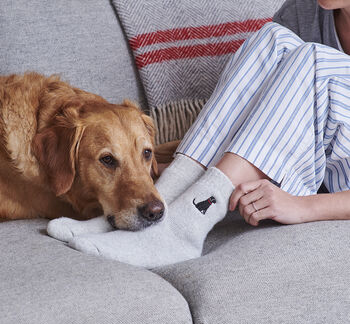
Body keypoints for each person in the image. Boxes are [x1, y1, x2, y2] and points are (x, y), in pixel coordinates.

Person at [47, 0, 350, 268]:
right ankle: (166, 197)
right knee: (273, 39)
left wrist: (301, 208)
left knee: (312, 59)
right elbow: (266, 108)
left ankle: (186, 226)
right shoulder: (305, 11)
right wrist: (185, 173)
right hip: (312, 163)